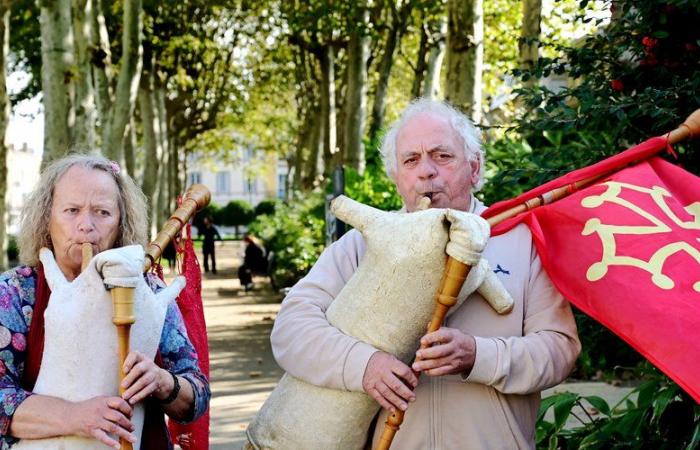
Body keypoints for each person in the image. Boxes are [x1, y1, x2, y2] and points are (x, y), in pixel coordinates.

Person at [270, 99, 581, 449]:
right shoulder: (360, 245)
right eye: (411, 160)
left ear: (474, 168)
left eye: (442, 156)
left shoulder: (520, 241)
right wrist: (364, 365)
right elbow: (291, 328)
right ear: (396, 177)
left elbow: (559, 350)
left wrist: (479, 356)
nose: (426, 171)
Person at [0, 154, 210, 449]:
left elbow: (197, 397)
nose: (86, 225)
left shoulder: (146, 290)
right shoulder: (15, 292)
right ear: (47, 218)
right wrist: (73, 416)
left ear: (121, 222)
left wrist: (162, 382)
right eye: (71, 210)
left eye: (102, 212)